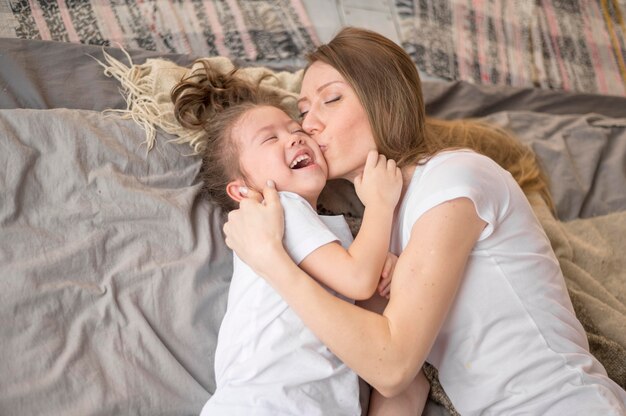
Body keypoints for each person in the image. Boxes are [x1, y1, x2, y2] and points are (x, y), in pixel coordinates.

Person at [222, 27, 626, 415]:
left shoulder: (453, 177)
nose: (308, 125)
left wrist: (271, 260)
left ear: (384, 102)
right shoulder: (378, 234)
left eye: (330, 100)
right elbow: (404, 382)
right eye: (304, 110)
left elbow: (391, 365)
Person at [171, 61, 419, 415]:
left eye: (294, 127)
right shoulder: (279, 207)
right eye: (271, 138)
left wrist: (383, 264)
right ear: (242, 189)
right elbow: (357, 279)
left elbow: (363, 302)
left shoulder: (323, 230)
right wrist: (380, 206)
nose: (296, 136)